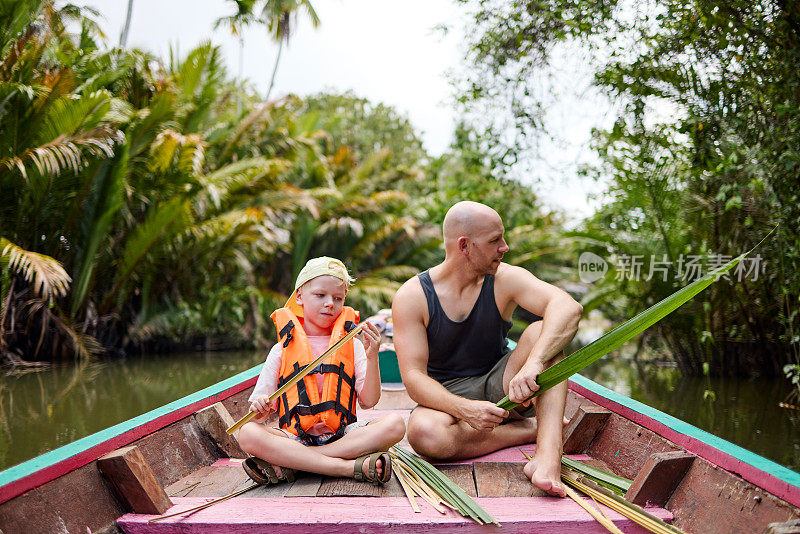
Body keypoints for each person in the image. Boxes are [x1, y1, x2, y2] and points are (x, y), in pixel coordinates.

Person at [392, 201, 583, 497]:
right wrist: (464, 409)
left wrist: (534, 363)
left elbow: (568, 307)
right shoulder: (412, 296)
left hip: (503, 386)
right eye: (495, 240)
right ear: (465, 246)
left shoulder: (504, 278)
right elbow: (414, 378)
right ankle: (530, 430)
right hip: (445, 398)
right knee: (423, 435)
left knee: (543, 336)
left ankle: (547, 457)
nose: (504, 247)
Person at [237, 257, 406, 486]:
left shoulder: (353, 345)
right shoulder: (281, 349)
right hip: (295, 438)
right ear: (299, 297)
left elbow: (369, 402)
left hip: (344, 436)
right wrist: (259, 407)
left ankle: (300, 464)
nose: (330, 304)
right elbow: (260, 415)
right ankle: (345, 467)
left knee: (396, 424)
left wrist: (372, 355)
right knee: (247, 433)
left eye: (338, 298)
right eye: (320, 295)